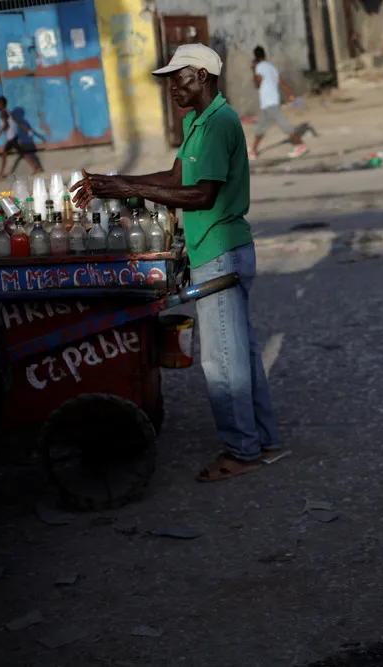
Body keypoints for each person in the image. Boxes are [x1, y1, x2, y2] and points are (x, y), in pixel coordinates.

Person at [70, 43, 283, 482]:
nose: (170, 87)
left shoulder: (220, 123)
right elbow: (175, 178)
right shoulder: (197, 123)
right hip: (219, 247)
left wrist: (125, 188)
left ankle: (242, 451)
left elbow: (200, 194)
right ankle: (263, 439)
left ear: (201, 77)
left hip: (220, 248)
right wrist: (119, 183)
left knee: (223, 361)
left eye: (177, 77)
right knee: (241, 353)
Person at [249, 46, 308, 161]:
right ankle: (253, 151)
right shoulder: (271, 67)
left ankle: (300, 145)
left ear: (255, 56)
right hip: (271, 101)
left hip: (268, 101)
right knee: (261, 127)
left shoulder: (259, 67)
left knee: (283, 124)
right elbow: (282, 83)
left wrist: (253, 70)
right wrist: (290, 96)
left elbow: (257, 84)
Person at [0, 96, 43, 179]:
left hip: (11, 138)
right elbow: (18, 122)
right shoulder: (9, 112)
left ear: (1, 104)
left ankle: (1, 174)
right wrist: (27, 130)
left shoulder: (3, 113)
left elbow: (6, 125)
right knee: (22, 153)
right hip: (14, 137)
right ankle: (37, 168)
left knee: (6, 154)